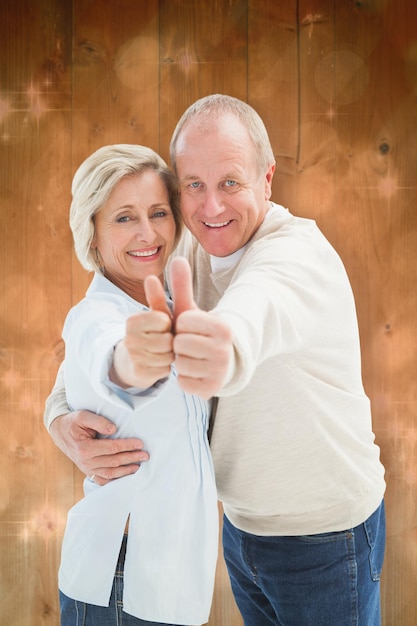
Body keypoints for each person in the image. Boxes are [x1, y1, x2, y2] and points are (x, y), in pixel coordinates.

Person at [45, 95, 386, 626]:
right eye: (193, 187)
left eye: (230, 182)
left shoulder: (296, 254)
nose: (211, 207)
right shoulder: (181, 252)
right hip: (239, 530)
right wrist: (60, 418)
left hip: (324, 538)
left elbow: (253, 312)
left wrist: (218, 348)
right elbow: (98, 348)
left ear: (267, 179)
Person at [53, 143, 219, 626]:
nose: (148, 233)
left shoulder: (173, 300)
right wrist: (141, 361)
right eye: (124, 218)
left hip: (169, 579)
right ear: (93, 233)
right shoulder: (93, 318)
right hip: (121, 578)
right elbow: (115, 365)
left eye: (158, 213)